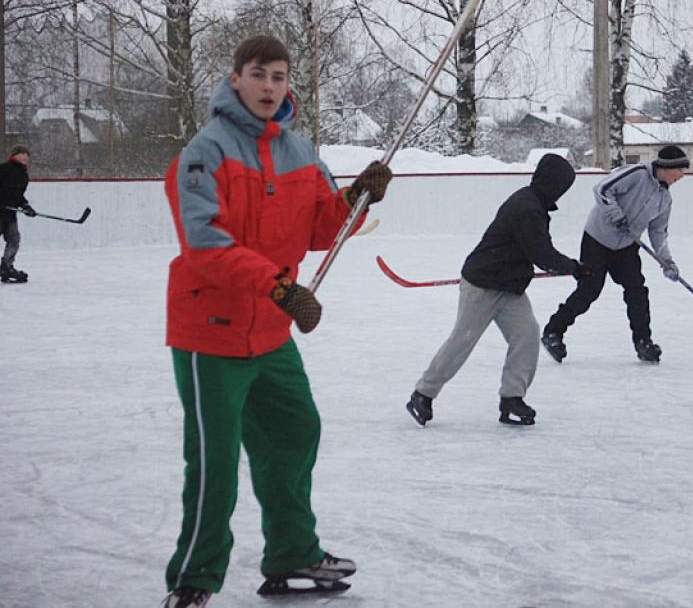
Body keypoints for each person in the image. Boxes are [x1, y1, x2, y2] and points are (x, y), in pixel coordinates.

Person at [161, 35, 393, 608]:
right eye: (259, 74)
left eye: (280, 76)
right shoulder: (204, 152)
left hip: (269, 331)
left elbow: (320, 228)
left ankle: (291, 553)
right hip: (210, 332)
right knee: (215, 463)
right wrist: (281, 288)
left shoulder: (301, 151)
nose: (270, 86)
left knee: (294, 432)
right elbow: (204, 243)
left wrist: (356, 197)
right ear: (235, 78)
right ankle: (194, 577)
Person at [406, 153, 590, 428]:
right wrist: (574, 268)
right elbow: (542, 254)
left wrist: (570, 267)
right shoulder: (527, 208)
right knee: (462, 341)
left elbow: (535, 251)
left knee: (526, 336)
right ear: (553, 183)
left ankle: (512, 399)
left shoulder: (533, 202)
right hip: (483, 284)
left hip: (510, 287)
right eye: (562, 185)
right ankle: (422, 394)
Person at [541, 145, 689, 364]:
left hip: (626, 247)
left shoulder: (665, 200)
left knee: (637, 290)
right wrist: (617, 216)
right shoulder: (637, 174)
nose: (681, 176)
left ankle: (643, 342)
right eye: (679, 171)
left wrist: (666, 261)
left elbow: (658, 232)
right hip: (597, 240)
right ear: (667, 167)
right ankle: (553, 332)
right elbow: (601, 190)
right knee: (589, 290)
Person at [0, 144, 36, 283]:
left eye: (27, 154)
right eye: (23, 153)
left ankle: (6, 267)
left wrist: (26, 206)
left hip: (10, 214)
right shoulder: (3, 169)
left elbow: (18, 195)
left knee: (14, 240)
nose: (26, 156)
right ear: (14, 155)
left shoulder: (23, 175)